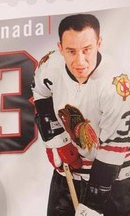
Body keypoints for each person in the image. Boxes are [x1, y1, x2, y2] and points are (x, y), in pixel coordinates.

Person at [32, 14, 130, 216]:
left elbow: (113, 149)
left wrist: (92, 205)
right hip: (68, 174)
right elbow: (41, 93)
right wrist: (57, 139)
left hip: (114, 181)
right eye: (71, 51)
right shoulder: (50, 65)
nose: (80, 61)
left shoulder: (115, 87)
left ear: (99, 43)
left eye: (87, 50)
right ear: (60, 48)